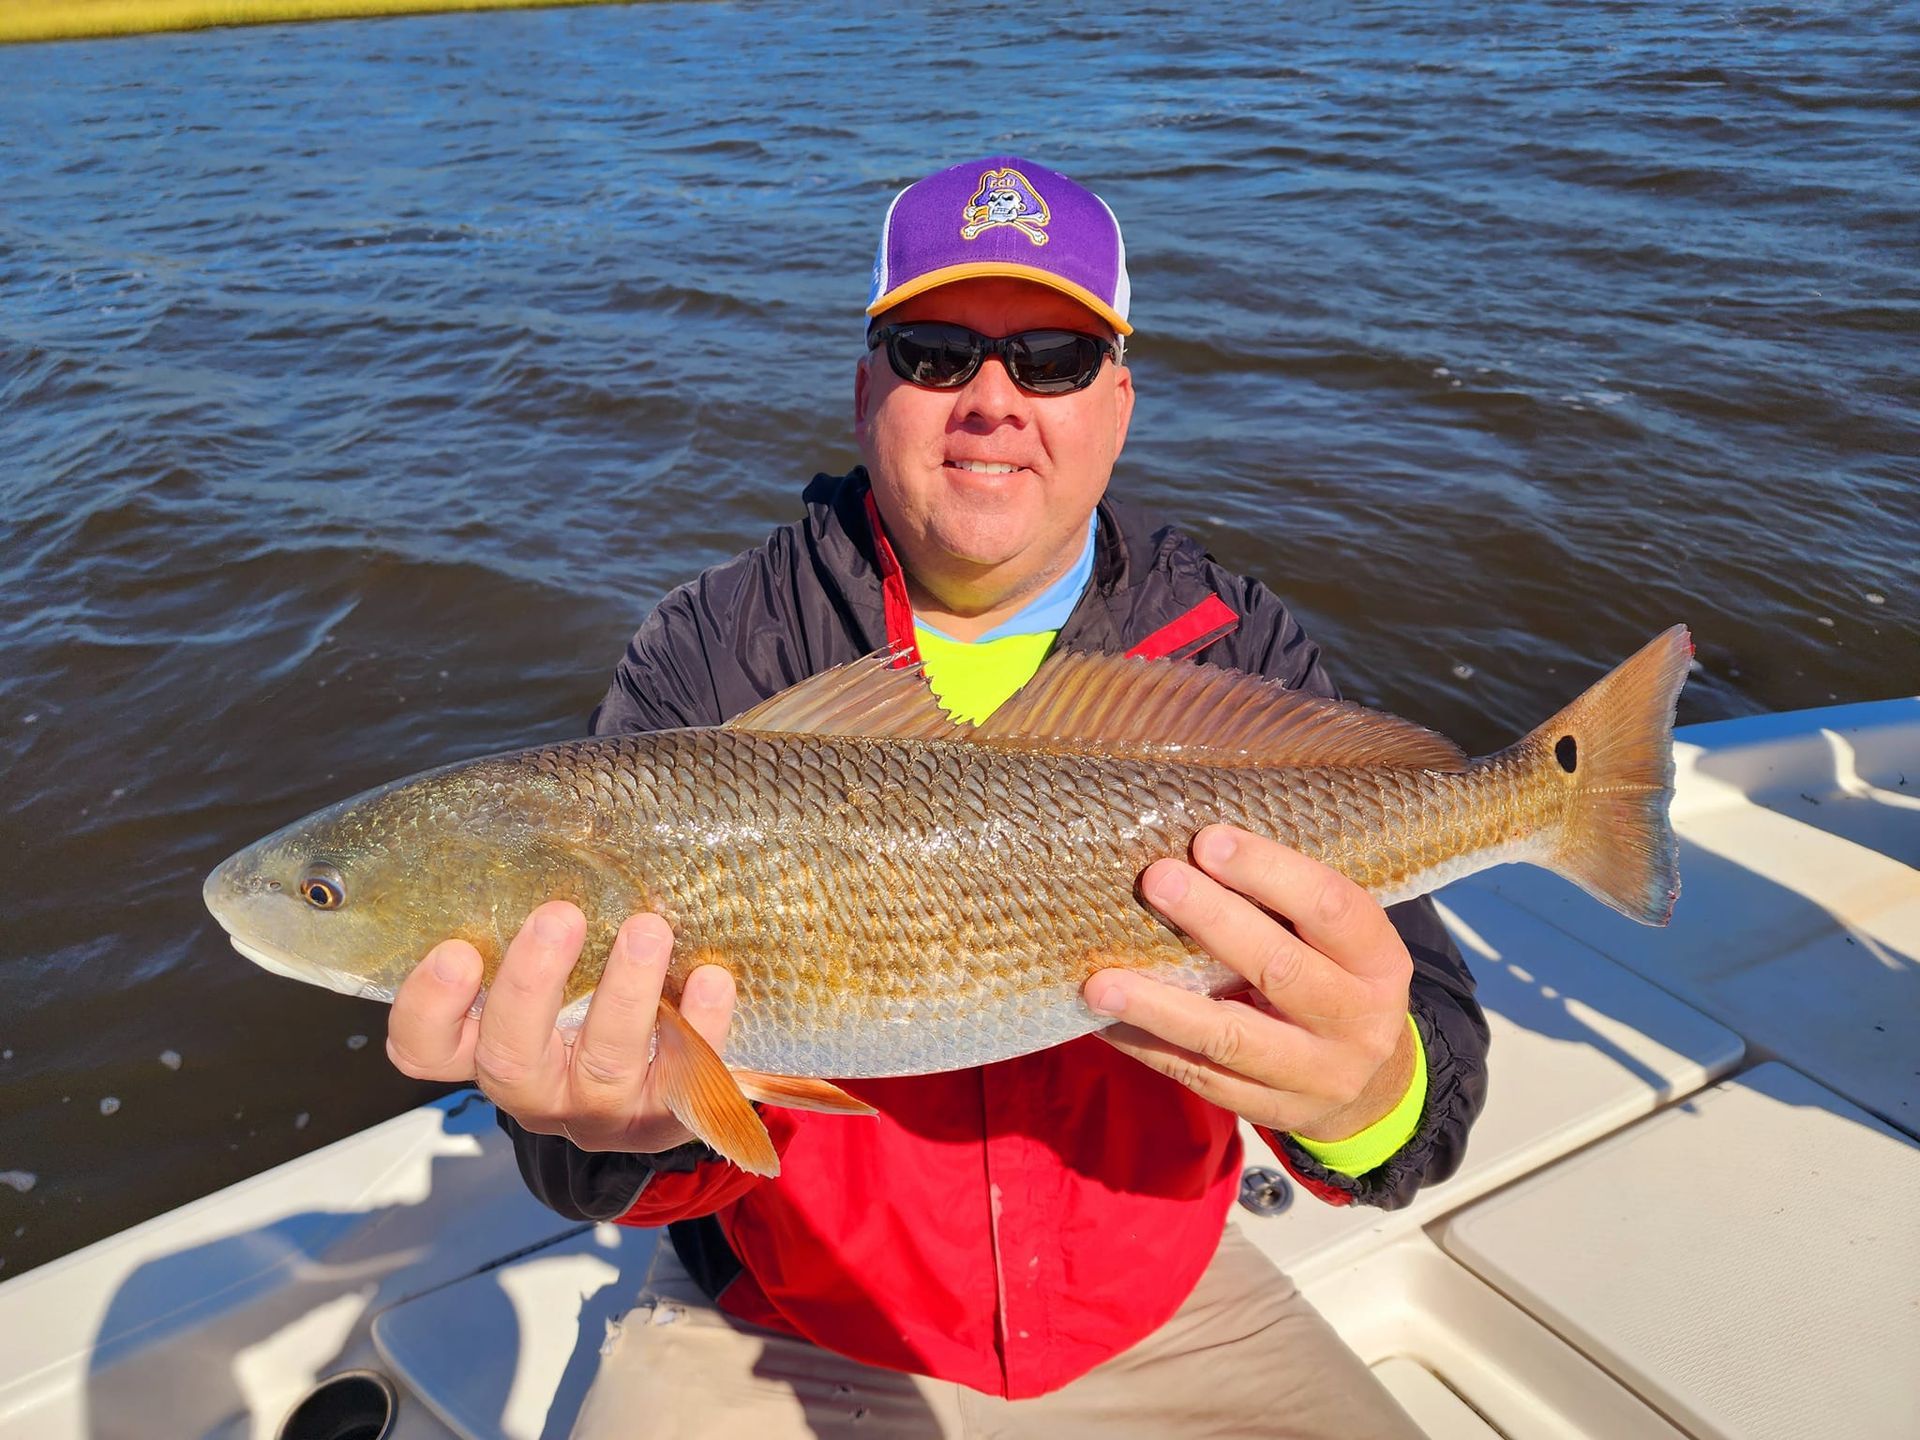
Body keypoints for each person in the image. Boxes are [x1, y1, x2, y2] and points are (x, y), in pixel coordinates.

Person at [386, 156, 1488, 1438]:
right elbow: (594, 1158)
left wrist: (1368, 1098)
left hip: (1164, 1302)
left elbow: (1427, 1065)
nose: (993, 402)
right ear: (866, 392)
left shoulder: (1230, 647)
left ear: (1119, 402)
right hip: (784, 1319)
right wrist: (610, 1133)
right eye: (935, 352)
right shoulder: (712, 654)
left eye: (1054, 358)